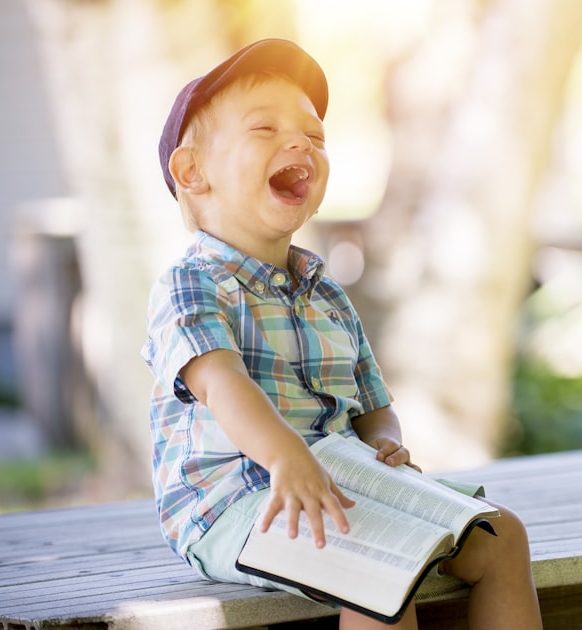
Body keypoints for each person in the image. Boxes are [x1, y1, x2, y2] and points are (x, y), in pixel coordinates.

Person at [142, 38, 542, 629]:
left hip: (344, 477)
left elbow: (373, 403)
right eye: (265, 128)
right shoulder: (191, 284)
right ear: (192, 171)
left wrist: (385, 442)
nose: (301, 142)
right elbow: (222, 385)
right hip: (234, 502)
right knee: (381, 564)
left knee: (502, 536)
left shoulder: (325, 291)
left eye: (315, 134)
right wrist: (288, 457)